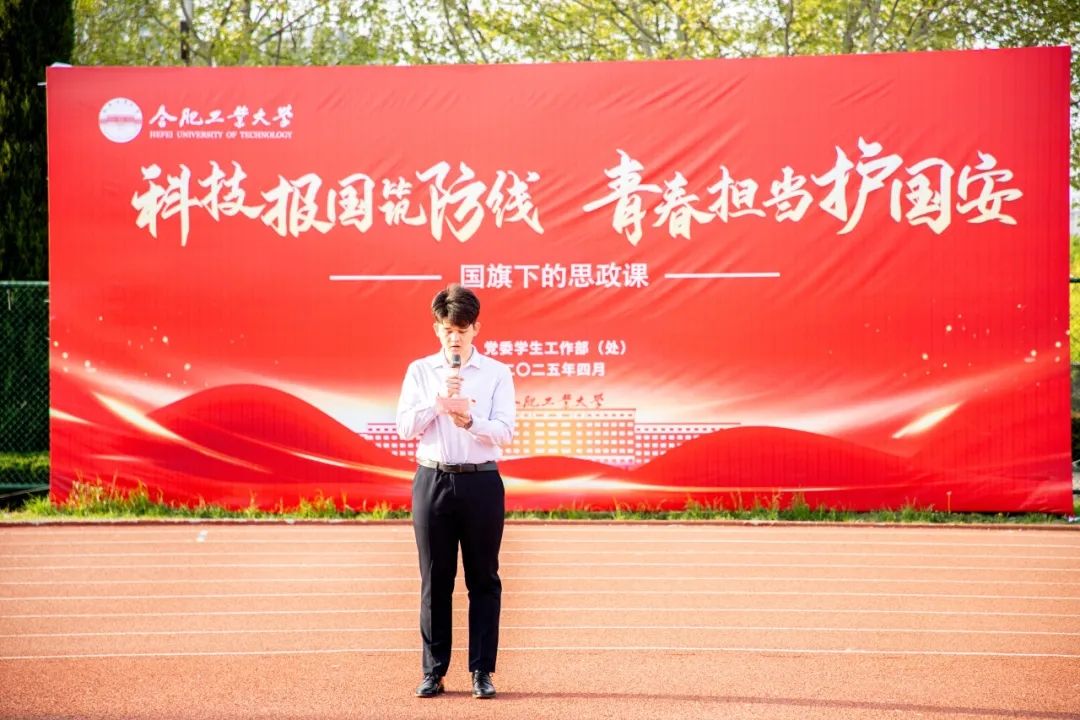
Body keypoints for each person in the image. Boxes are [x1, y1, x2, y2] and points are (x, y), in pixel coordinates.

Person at [396, 283, 516, 699]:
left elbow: (505, 431)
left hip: (481, 481)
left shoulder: (497, 373)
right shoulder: (420, 371)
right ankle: (434, 671)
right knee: (435, 579)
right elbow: (405, 427)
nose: (455, 338)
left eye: (462, 330)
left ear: (475, 329)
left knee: (483, 578)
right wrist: (437, 401)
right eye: (448, 330)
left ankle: (482, 671)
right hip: (433, 479)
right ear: (437, 329)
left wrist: (471, 422)